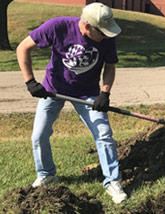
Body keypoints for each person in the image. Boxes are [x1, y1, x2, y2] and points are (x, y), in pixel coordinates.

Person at [16, 2, 127, 204]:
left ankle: (112, 181)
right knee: (39, 135)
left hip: (88, 93)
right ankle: (47, 174)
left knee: (103, 133)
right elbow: (23, 48)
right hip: (54, 90)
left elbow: (109, 66)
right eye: (101, 33)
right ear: (86, 26)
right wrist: (30, 82)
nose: (106, 36)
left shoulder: (107, 36)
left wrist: (105, 93)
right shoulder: (57, 27)